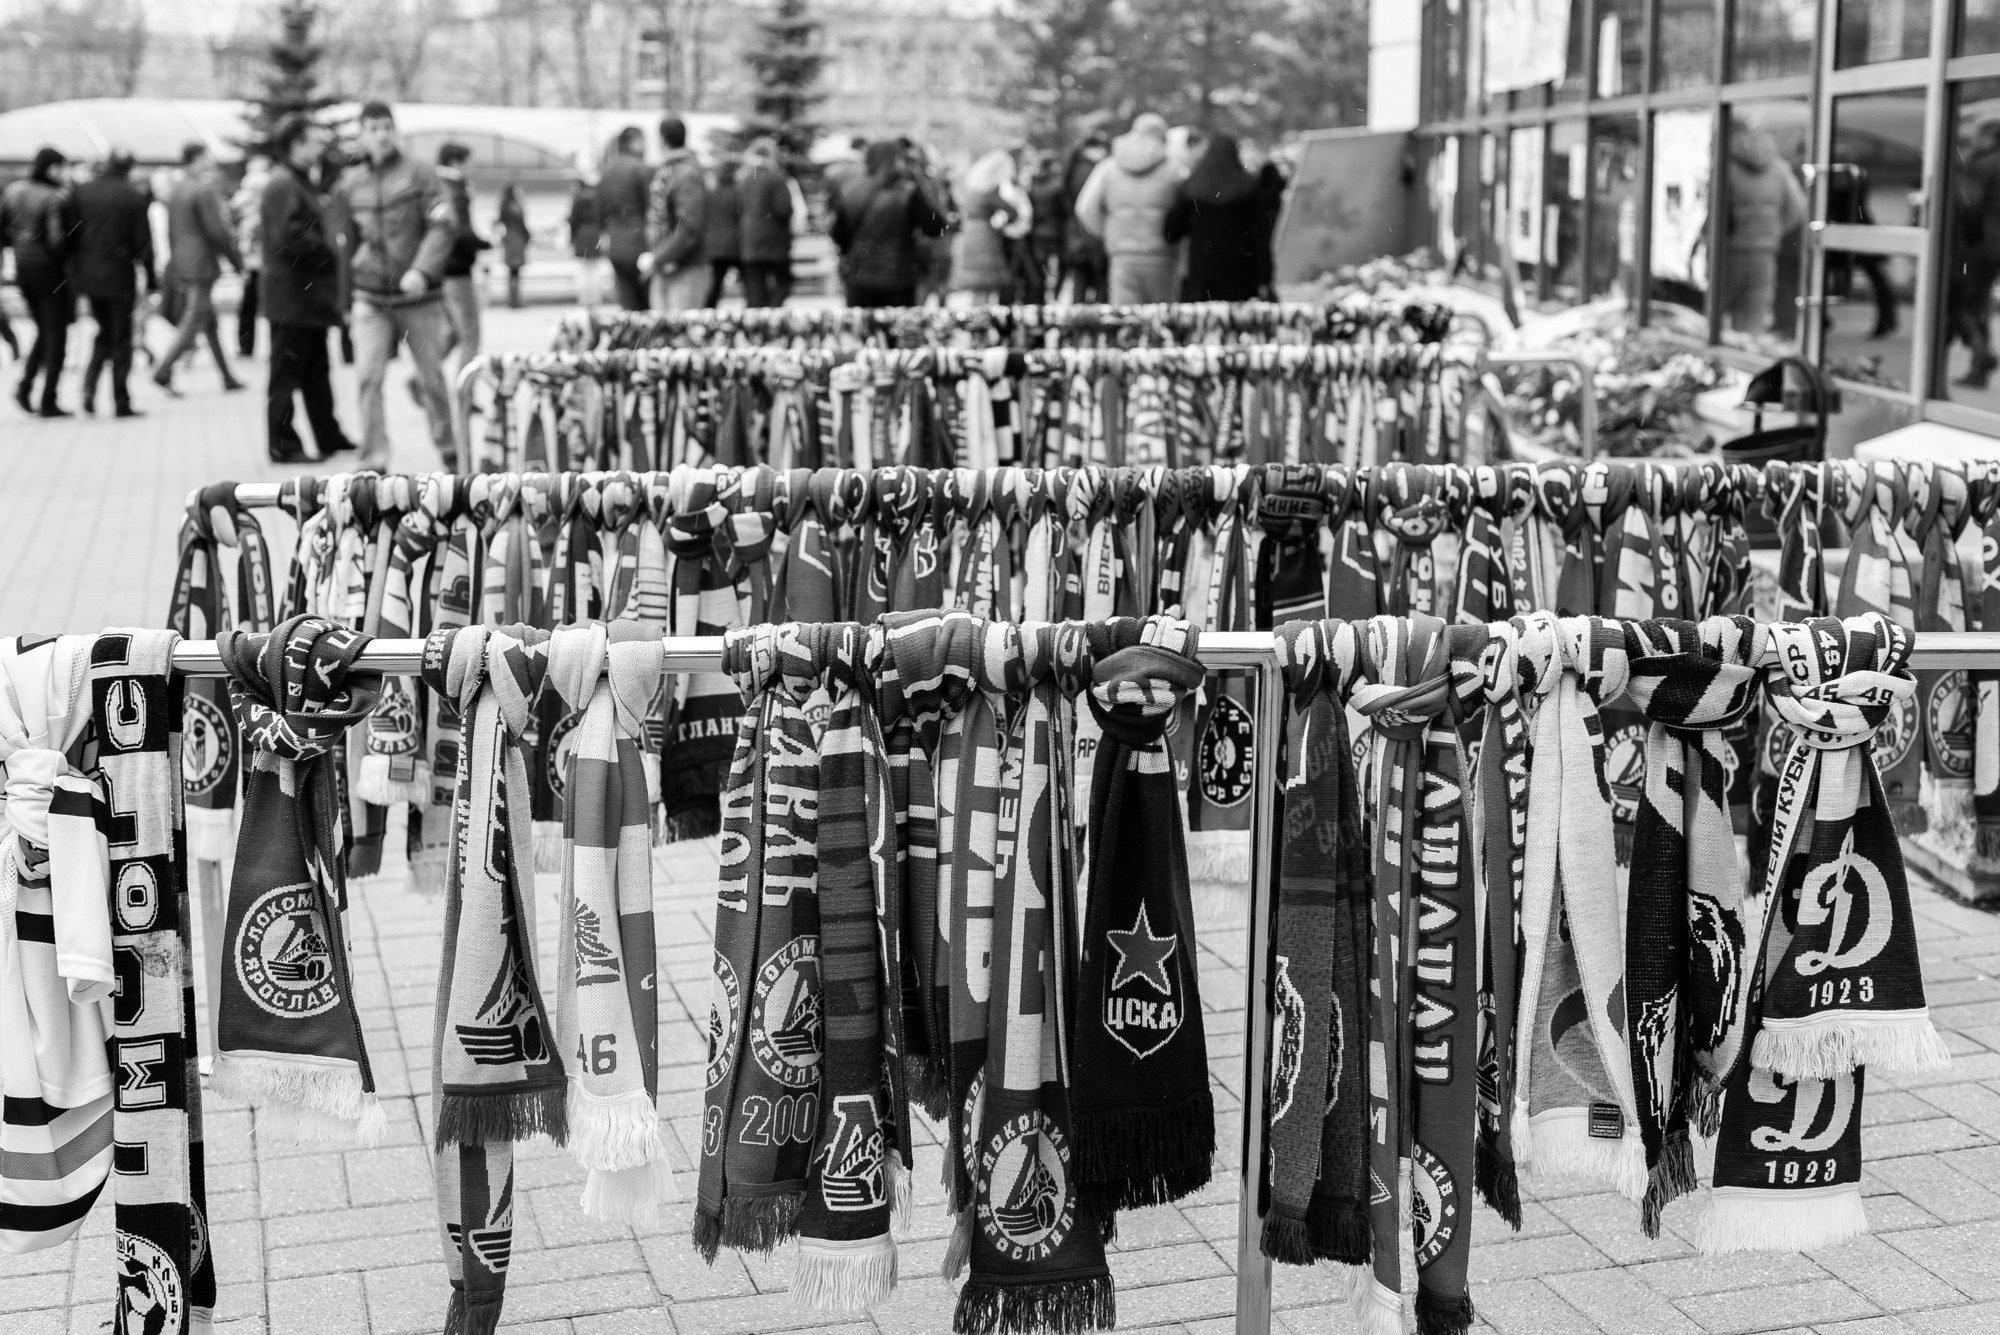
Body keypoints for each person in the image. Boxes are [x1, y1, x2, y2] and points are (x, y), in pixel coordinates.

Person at [333, 100, 457, 470]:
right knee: (367, 378)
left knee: (432, 380)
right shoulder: (352, 185)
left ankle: (451, 451)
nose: (382, 134)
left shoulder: (421, 175)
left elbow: (443, 224)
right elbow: (342, 244)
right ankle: (373, 459)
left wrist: (422, 268)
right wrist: (342, 301)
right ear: (362, 136)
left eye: (387, 126)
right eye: (373, 128)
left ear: (395, 131)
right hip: (370, 299)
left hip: (418, 298)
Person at [263, 115, 356, 464]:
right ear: (296, 145)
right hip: (291, 298)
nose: (321, 147)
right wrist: (330, 252)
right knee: (286, 374)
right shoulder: (284, 184)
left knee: (317, 371)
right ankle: (283, 444)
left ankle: (328, 434)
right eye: (314, 141)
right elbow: (289, 238)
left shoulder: (300, 182)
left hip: (308, 298)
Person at [69, 147, 155, 417]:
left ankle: (88, 389)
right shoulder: (133, 197)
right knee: (120, 338)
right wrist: (152, 279)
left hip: (90, 275)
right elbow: (143, 244)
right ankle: (120, 400)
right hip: (119, 275)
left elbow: (71, 236)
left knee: (104, 332)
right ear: (129, 167)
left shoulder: (82, 192)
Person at [154, 142, 246, 396]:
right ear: (196, 159)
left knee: (208, 322)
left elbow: (173, 232)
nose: (210, 161)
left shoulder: (176, 190)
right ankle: (163, 369)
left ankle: (227, 377)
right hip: (201, 263)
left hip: (183, 263)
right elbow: (217, 231)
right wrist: (237, 262)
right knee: (194, 319)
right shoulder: (203, 191)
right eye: (206, 157)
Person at [1074, 113, 1184, 305]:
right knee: (1164, 325)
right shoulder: (1174, 170)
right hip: (1163, 259)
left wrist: (1108, 233)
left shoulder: (1108, 167)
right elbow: (1189, 211)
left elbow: (1085, 208)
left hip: (1122, 259)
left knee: (1127, 324)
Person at [829, 139, 949, 308]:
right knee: (897, 329)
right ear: (895, 160)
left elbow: (837, 234)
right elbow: (935, 226)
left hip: (859, 277)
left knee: (864, 329)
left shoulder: (850, 189)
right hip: (898, 277)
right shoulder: (908, 191)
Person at [1, 146, 76, 415]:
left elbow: (3, 231)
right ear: (52, 168)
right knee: (56, 336)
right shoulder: (55, 197)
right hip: (50, 273)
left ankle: (25, 386)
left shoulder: (13, 191)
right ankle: (48, 399)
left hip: (23, 269)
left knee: (44, 331)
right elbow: (58, 241)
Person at [1164, 133, 1283, 302]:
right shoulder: (1248, 189)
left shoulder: (1191, 189)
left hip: (1201, 277)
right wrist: (1266, 278)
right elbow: (1260, 239)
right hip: (1241, 278)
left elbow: (1170, 232)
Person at [1723, 127, 1807, 338]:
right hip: (1764, 252)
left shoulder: (1726, 167)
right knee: (1754, 317)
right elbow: (1798, 208)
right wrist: (1776, 231)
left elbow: (1712, 212)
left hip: (1730, 251)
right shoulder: (1779, 168)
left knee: (1720, 317)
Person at [1950, 120, 2000, 388]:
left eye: (1982, 134)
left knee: (1965, 302)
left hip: (1982, 244)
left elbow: (1968, 205)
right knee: (1978, 301)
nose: (1977, 139)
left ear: (1992, 137)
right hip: (1995, 246)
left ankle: (1982, 354)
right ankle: (1980, 366)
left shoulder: (1983, 165)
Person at [642, 115, 709, 310]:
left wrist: (660, 257)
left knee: (681, 335)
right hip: (667, 265)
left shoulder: (685, 173)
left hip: (686, 268)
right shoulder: (670, 170)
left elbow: (688, 227)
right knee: (664, 333)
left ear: (662, 139)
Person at [949, 149, 1031, 306]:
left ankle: (977, 319)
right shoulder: (990, 190)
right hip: (985, 238)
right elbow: (1012, 211)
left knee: (978, 285)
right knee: (984, 285)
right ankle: (979, 321)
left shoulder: (973, 187)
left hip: (972, 235)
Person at [436, 141, 489, 377]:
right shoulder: (454, 189)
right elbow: (460, 231)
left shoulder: (440, 186)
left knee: (455, 333)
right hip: (457, 270)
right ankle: (464, 394)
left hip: (445, 270)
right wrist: (484, 243)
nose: (472, 168)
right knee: (470, 334)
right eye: (469, 163)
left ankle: (421, 379)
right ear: (455, 163)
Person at [598, 126, 652, 311]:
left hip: (616, 244)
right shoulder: (641, 169)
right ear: (634, 142)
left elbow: (600, 209)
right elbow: (652, 207)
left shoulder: (608, 170)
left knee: (628, 304)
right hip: (638, 242)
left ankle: (632, 339)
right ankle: (647, 340)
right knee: (646, 305)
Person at [737, 138, 795, 307]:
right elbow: (784, 208)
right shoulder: (775, 178)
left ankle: (756, 323)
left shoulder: (743, 178)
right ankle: (772, 310)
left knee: (755, 288)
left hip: (749, 241)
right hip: (774, 240)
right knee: (784, 280)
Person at [1061, 132, 1111, 303]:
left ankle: (1076, 324)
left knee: (1080, 280)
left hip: (1076, 232)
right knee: (1100, 280)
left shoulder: (1074, 165)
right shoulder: (1093, 169)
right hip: (1090, 230)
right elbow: (1089, 205)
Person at [231, 155, 272, 357]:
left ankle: (247, 345)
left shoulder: (263, 188)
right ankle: (247, 345)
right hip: (255, 259)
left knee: (253, 303)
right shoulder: (248, 195)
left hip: (260, 259)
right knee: (251, 303)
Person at [703, 153, 743, 307]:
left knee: (715, 284)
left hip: (715, 245)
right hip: (735, 243)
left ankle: (708, 312)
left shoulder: (711, 193)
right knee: (749, 283)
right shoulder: (737, 192)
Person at [568, 168, 603, 306]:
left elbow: (573, 219)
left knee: (583, 268)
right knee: (595, 267)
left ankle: (584, 298)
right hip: (595, 233)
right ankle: (595, 297)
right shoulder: (597, 197)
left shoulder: (577, 199)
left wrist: (572, 238)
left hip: (582, 234)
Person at [497, 183, 530, 308]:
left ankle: (512, 299)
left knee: (512, 272)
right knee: (515, 272)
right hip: (516, 241)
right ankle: (515, 299)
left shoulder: (505, 206)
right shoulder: (515, 207)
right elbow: (522, 225)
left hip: (510, 240)